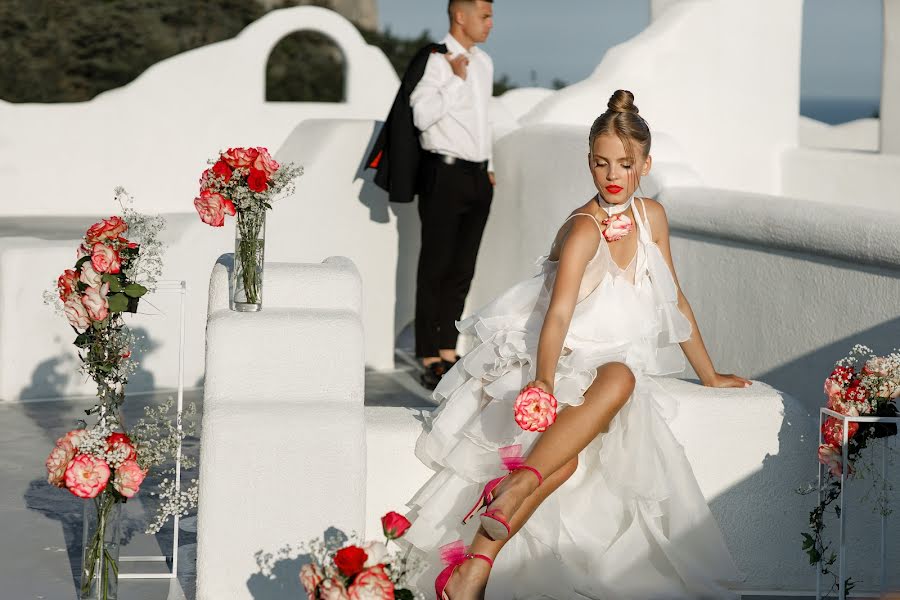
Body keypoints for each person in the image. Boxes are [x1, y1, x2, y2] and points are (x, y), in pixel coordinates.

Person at [400, 90, 751, 599]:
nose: (613, 175)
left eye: (626, 165)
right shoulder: (585, 229)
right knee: (568, 448)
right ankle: (496, 525)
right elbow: (559, 314)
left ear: (645, 165)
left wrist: (711, 373)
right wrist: (543, 380)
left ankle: (473, 566)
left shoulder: (652, 218)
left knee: (584, 424)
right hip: (556, 355)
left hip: (604, 363)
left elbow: (675, 299)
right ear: (589, 162)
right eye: (602, 163)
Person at [410, 0, 496, 390]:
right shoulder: (436, 60)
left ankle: (448, 349)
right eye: (484, 15)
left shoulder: (485, 63)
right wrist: (453, 79)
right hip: (443, 174)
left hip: (478, 177)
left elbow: (483, 119)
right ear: (460, 17)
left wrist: (488, 164)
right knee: (436, 266)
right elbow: (421, 115)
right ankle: (429, 354)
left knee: (463, 268)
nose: (490, 23)